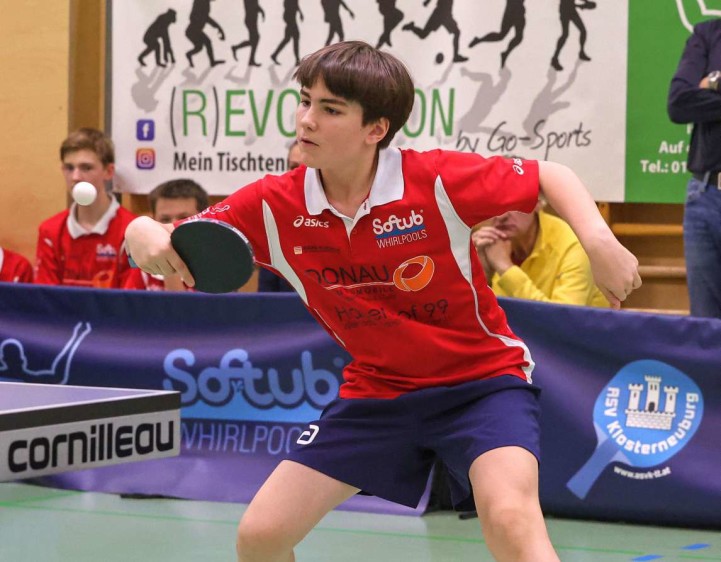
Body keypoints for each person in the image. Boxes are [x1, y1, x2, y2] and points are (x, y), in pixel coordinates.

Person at [126, 41, 641, 562]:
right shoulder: (274, 205)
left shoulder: (433, 180)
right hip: (379, 391)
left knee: (511, 519)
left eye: (330, 109)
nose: (306, 120)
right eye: (304, 101)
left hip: (482, 383)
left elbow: (549, 174)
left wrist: (599, 242)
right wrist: (141, 230)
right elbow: (175, 238)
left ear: (376, 129)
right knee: (261, 535)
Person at [35, 128, 136, 288]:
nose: (75, 177)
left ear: (108, 172)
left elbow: (130, 297)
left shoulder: (132, 231)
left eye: (86, 168)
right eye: (69, 168)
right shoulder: (50, 232)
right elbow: (46, 297)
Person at [668, 18, 721, 319]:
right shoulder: (708, 33)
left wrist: (712, 83)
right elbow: (679, 103)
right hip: (705, 194)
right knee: (704, 325)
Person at [472, 199, 609, 307]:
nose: (502, 216)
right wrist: (481, 276)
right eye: (493, 204)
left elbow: (563, 322)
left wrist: (506, 269)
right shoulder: (486, 243)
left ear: (537, 202)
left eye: (513, 203)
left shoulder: (573, 245)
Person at [124, 179, 208, 291]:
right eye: (165, 219)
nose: (173, 226)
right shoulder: (144, 263)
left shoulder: (219, 262)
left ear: (204, 219)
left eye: (183, 218)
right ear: (153, 220)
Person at [257, 142, 301, 293]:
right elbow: (267, 296)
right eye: (293, 167)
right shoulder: (275, 224)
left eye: (307, 168)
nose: (299, 174)